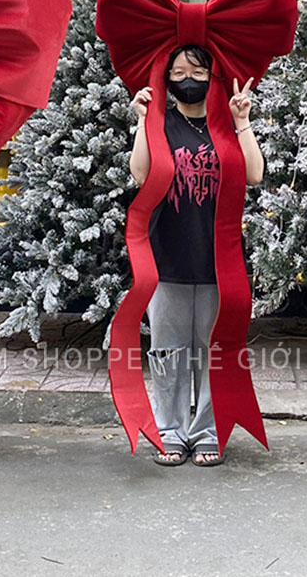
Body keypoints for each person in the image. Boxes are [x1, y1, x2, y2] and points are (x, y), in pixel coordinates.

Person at [128, 44, 263, 467]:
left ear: (212, 78)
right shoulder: (161, 123)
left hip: (217, 262)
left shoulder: (225, 126)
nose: (188, 79)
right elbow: (140, 172)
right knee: (167, 352)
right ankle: (169, 431)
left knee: (211, 352)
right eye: (179, 72)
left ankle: (207, 432)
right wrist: (142, 119)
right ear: (167, 79)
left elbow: (255, 173)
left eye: (198, 72)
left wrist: (242, 122)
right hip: (165, 259)